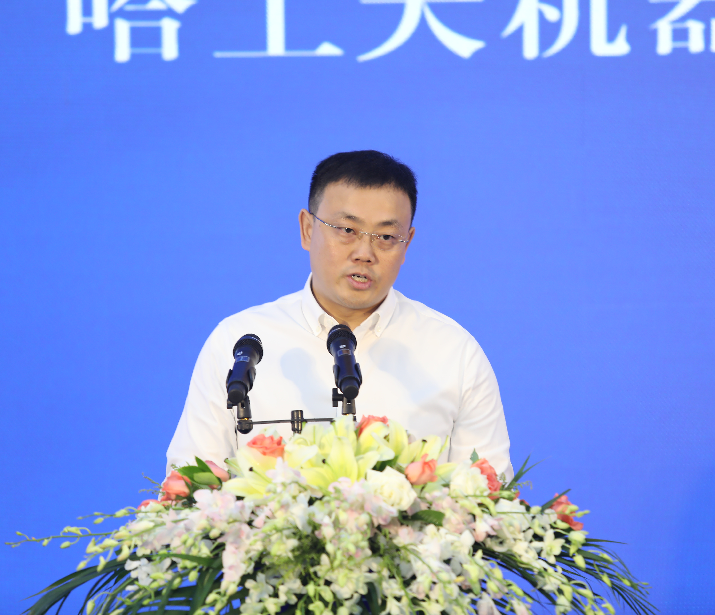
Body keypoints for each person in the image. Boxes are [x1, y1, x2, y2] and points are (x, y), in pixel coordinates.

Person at [166, 150, 512, 478]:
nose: (364, 252)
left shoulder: (453, 353)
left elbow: (491, 499)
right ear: (307, 229)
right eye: (347, 230)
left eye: (386, 236)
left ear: (407, 243)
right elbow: (189, 488)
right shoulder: (239, 343)